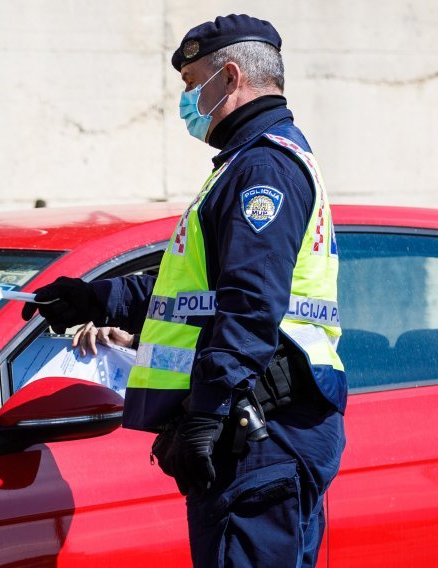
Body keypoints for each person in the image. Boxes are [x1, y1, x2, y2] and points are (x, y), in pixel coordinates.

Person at [22, 14, 346, 567]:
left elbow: (249, 304)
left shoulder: (263, 169)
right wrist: (96, 299)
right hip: (262, 431)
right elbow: (197, 294)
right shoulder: (247, 164)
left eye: (192, 84)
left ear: (230, 76)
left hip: (259, 433)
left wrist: (208, 410)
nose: (187, 101)